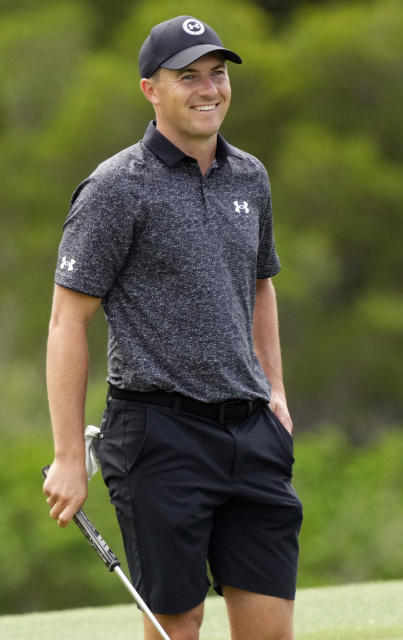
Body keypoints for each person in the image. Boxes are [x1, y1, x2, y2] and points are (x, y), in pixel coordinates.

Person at [42, 15, 302, 640]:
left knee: (270, 629)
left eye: (217, 74)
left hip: (251, 434)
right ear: (150, 90)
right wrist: (68, 457)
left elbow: (260, 284)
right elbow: (66, 320)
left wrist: (277, 392)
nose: (208, 89)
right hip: (160, 437)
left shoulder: (251, 177)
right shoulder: (116, 188)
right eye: (188, 77)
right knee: (176, 627)